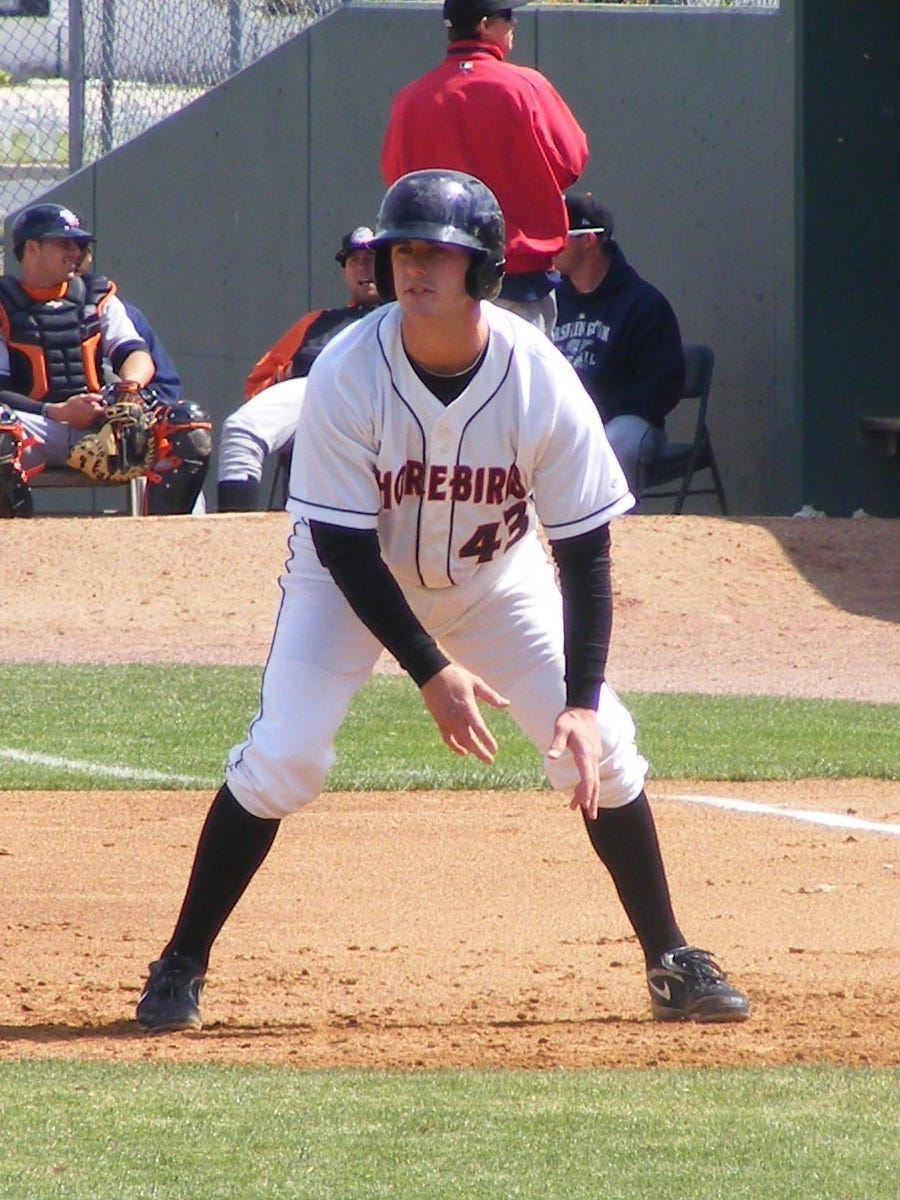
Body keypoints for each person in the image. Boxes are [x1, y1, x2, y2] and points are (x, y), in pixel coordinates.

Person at [136, 169, 750, 1035]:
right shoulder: (349, 369)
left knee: (601, 745)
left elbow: (585, 550)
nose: (414, 266)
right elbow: (344, 545)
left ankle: (671, 959)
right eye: (403, 250)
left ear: (483, 268)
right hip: (346, 585)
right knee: (285, 755)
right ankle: (180, 965)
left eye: (439, 251)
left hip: (496, 581)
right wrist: (431, 670)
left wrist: (576, 700)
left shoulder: (535, 376)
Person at [380, 0, 587, 333]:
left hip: (436, 278)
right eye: (507, 16)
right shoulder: (525, 87)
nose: (513, 23)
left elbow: (398, 183)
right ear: (484, 24)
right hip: (514, 276)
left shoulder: (410, 98)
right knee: (520, 383)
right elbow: (571, 163)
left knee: (442, 383)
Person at [0, 203, 211, 517]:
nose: (75, 251)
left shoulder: (97, 297)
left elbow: (135, 353)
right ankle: (16, 535)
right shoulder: (4, 302)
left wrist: (129, 390)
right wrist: (57, 411)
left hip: (99, 424)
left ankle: (169, 542)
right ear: (31, 248)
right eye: (63, 243)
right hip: (36, 425)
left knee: (187, 425)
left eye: (78, 244)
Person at [217, 226, 383, 512]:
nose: (362, 267)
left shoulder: (408, 317)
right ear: (344, 271)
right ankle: (233, 543)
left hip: (382, 404)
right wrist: (285, 376)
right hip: (315, 397)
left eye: (371, 258)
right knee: (241, 430)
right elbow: (256, 386)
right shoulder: (319, 321)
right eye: (353, 260)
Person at [552, 194, 685, 500]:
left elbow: (663, 385)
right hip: (565, 421)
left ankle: (611, 533)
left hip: (626, 421)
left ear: (588, 241)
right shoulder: (551, 300)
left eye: (560, 236)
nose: (551, 246)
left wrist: (600, 411)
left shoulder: (643, 303)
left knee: (616, 441)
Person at [77, 246, 212, 516]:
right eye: (64, 245)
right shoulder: (11, 312)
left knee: (186, 432)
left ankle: (180, 542)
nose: (76, 255)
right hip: (49, 425)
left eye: (82, 248)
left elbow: (165, 387)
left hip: (117, 428)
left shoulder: (121, 315)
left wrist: (127, 409)